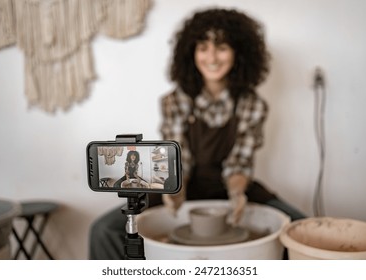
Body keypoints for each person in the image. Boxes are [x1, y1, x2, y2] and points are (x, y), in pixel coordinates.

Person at [89, 8, 305, 260]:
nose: (211, 57)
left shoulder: (251, 104)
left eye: (221, 47)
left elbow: (239, 162)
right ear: (191, 53)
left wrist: (237, 193)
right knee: (104, 230)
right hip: (182, 182)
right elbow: (179, 160)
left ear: (239, 53)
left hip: (231, 185)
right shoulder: (175, 100)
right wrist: (174, 193)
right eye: (203, 48)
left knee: (300, 228)